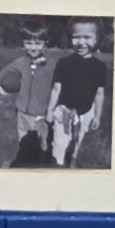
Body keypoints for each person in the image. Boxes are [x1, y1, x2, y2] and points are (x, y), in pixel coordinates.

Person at [47, 17, 108, 167]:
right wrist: (49, 111)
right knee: (60, 142)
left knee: (80, 138)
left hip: (86, 111)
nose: (81, 42)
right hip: (64, 110)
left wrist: (97, 116)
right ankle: (58, 163)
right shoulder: (63, 63)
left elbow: (99, 93)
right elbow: (56, 89)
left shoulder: (100, 66)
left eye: (87, 37)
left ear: (96, 40)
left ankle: (74, 158)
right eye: (76, 37)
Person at [0, 19, 58, 167]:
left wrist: (54, 108)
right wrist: (0, 85)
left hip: (41, 114)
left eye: (37, 43)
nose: (33, 47)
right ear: (23, 43)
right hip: (22, 111)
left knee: (42, 142)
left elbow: (58, 86)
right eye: (29, 43)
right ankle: (25, 161)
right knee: (23, 139)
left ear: (45, 44)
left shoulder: (51, 65)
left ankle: (43, 162)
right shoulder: (20, 62)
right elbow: (6, 71)